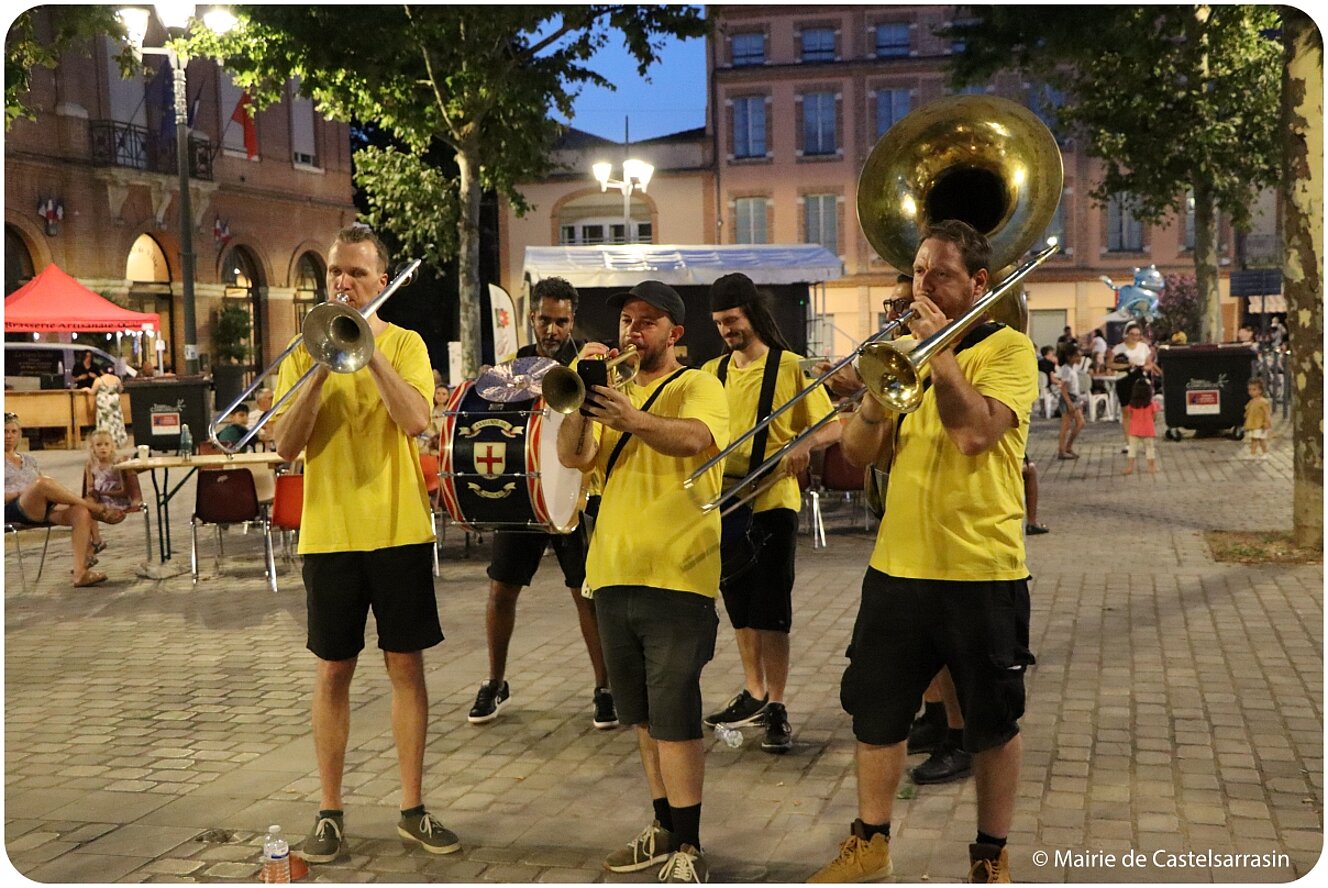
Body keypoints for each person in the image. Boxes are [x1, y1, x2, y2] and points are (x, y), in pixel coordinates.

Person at [809, 220, 1036, 884]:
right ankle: (870, 844)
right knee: (875, 713)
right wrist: (877, 399)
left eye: (939, 273)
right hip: (897, 568)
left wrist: (936, 353)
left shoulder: (1009, 350)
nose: (923, 284)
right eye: (916, 271)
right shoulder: (900, 352)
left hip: (982, 568)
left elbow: (974, 436)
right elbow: (856, 454)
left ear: (978, 282)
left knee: (992, 722)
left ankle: (991, 854)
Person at [271, 226, 458, 863]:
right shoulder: (303, 349)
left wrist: (367, 352)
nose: (342, 284)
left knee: (406, 667)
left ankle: (412, 806)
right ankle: (330, 811)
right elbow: (285, 445)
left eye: (355, 273)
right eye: (334, 274)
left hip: (398, 529)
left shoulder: (405, 343)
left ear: (381, 282)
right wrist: (322, 370)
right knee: (333, 671)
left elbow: (414, 419)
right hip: (330, 534)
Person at [555, 280, 728, 883]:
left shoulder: (698, 384)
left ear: (675, 334)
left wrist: (632, 415)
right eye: (627, 319)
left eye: (647, 321)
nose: (633, 330)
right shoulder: (613, 391)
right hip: (612, 571)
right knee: (644, 718)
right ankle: (663, 826)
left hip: (678, 573)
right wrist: (581, 400)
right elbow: (576, 458)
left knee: (675, 712)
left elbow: (697, 440)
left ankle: (691, 846)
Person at [468, 276, 617, 730]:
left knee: (584, 595)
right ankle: (495, 681)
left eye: (562, 321)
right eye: (545, 320)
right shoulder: (512, 366)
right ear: (532, 317)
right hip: (524, 497)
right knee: (500, 590)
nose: (552, 329)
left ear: (573, 320)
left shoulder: (587, 362)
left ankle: (604, 688)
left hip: (574, 495)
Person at [700, 272, 840, 754]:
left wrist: (804, 443)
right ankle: (753, 691)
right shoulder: (712, 372)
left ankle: (776, 702)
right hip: (726, 501)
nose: (726, 331)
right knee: (739, 605)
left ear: (752, 314)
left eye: (732, 320)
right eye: (719, 323)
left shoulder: (791, 367)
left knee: (772, 609)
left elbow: (834, 425)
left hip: (774, 500)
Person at [5, 413, 124, 587]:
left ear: (19, 434)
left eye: (13, 431)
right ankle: (96, 508)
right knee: (43, 483)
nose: (9, 436)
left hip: (40, 507)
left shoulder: (29, 460)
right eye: (5, 431)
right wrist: (21, 493)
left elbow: (45, 492)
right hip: (12, 509)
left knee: (80, 512)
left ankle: (80, 573)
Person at [84, 428, 142, 555]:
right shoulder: (90, 465)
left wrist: (104, 493)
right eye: (99, 445)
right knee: (86, 507)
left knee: (92, 508)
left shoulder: (116, 463)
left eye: (106, 444)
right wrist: (92, 492)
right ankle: (96, 540)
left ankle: (95, 543)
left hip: (116, 498)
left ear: (112, 446)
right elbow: (89, 486)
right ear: (93, 448)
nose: (103, 448)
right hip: (100, 499)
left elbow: (124, 490)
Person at [1108, 324, 1160, 451]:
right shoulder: (1118, 348)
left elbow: (1149, 364)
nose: (1135, 337)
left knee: (1145, 409)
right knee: (1126, 411)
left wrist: (1143, 367)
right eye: (1132, 334)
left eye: (1137, 335)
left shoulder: (1143, 348)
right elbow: (1110, 364)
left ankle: (1143, 438)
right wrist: (1126, 366)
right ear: (1127, 334)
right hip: (1124, 379)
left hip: (1140, 379)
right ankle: (1129, 442)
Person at [1122, 376, 1159, 475]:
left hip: (1134, 430)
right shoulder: (1152, 404)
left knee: (1132, 449)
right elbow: (1154, 417)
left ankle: (1129, 467)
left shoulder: (1132, 404)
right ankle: (1151, 467)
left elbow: (1130, 416)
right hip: (1148, 430)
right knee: (1150, 449)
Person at [1055, 343, 1086, 459]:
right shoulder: (1066, 369)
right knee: (1066, 425)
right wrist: (1069, 403)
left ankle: (1067, 447)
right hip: (1068, 398)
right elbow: (1064, 388)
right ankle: (1062, 450)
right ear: (1069, 357)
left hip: (1074, 397)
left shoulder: (1073, 368)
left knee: (1080, 423)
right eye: (1077, 356)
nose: (1079, 358)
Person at [89, 368, 129, 447]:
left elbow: (92, 392)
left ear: (101, 371)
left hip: (104, 404)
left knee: (104, 421)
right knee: (116, 421)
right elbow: (121, 389)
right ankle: (117, 440)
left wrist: (86, 389)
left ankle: (105, 442)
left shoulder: (99, 380)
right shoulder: (116, 379)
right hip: (114, 402)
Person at [1243, 378, 1272, 460]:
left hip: (1260, 424)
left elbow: (1267, 413)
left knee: (1260, 439)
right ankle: (1253, 453)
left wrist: (1267, 422)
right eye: (1250, 390)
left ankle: (1264, 452)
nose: (1251, 392)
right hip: (1253, 424)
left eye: (1254, 389)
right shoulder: (1251, 401)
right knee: (1254, 439)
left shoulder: (1263, 402)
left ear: (1260, 390)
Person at [419, 384, 450, 457]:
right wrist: (434, 437)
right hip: (430, 442)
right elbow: (425, 427)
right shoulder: (429, 411)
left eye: (444, 394)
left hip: (446, 443)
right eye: (438, 393)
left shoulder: (451, 412)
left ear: (448, 396)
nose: (440, 396)